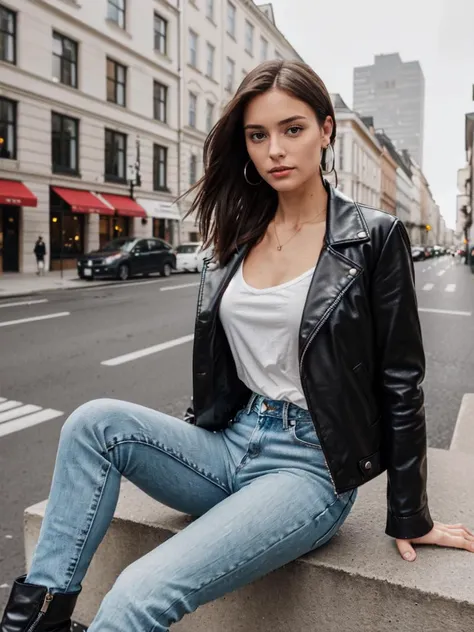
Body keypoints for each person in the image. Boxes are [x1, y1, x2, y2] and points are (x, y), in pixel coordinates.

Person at [2, 60, 473, 632]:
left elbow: (402, 379)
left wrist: (409, 512)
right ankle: (38, 622)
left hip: (309, 471)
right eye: (258, 135)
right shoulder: (235, 233)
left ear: (326, 131)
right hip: (231, 444)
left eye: (292, 129)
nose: (275, 149)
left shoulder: (372, 237)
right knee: (93, 422)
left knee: (135, 594)